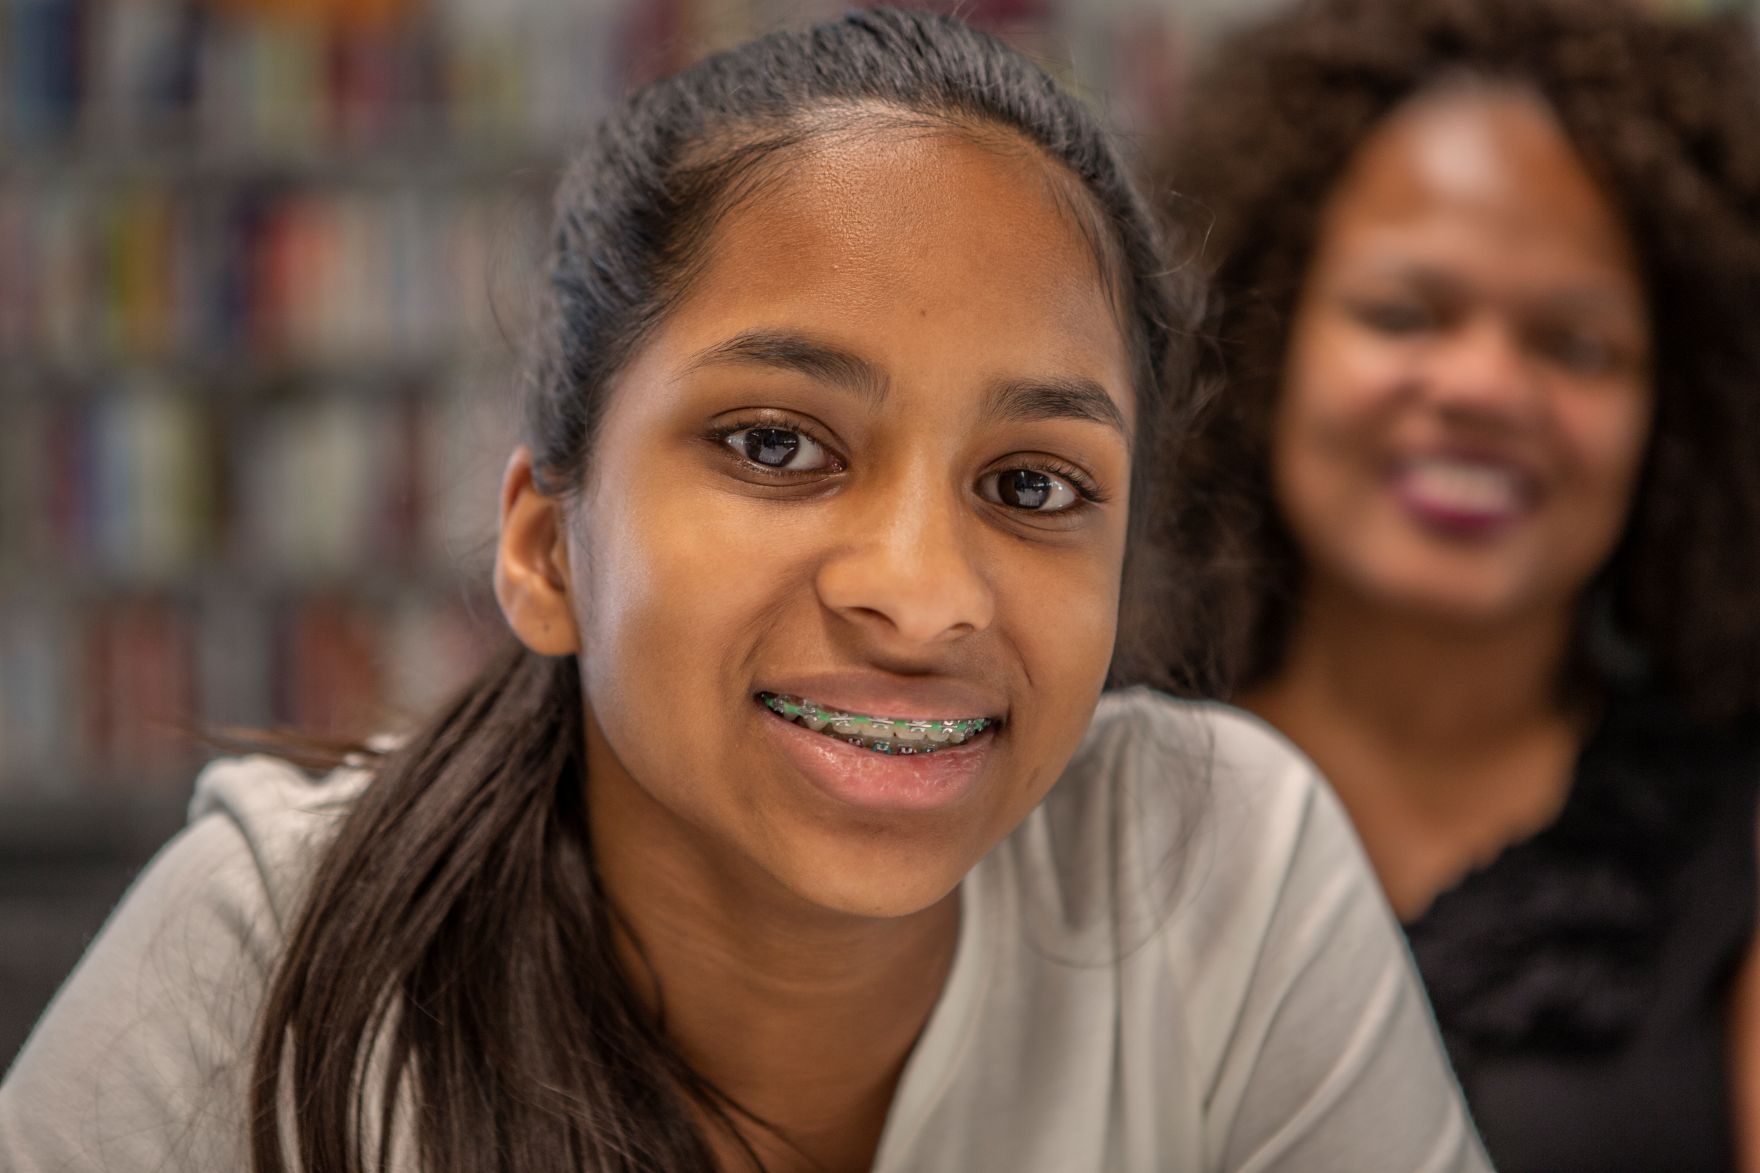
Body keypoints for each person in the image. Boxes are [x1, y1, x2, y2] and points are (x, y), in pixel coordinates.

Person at [0, 10, 1487, 1172]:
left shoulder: (1222, 870)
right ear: (545, 549)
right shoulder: (270, 957)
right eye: (777, 444)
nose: (922, 596)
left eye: (1032, 486)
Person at [1163, 0, 1760, 1168]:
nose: (1482, 388)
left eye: (1573, 344)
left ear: (1676, 409)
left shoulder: (1732, 840)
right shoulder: (1071, 785)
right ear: (1261, 336)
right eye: (1402, 314)